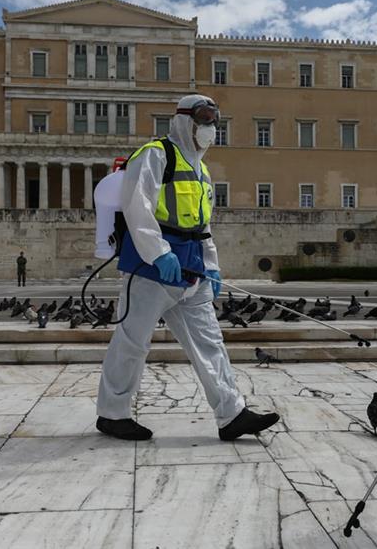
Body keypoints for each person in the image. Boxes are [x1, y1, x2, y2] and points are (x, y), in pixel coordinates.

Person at [96, 94, 279, 442]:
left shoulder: (202, 171)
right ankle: (112, 414)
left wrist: (212, 266)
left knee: (210, 343)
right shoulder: (155, 154)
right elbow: (137, 206)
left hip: (192, 269)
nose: (209, 129)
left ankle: (231, 413)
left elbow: (203, 225)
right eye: (203, 120)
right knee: (133, 342)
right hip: (152, 269)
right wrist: (159, 253)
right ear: (183, 120)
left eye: (214, 122)